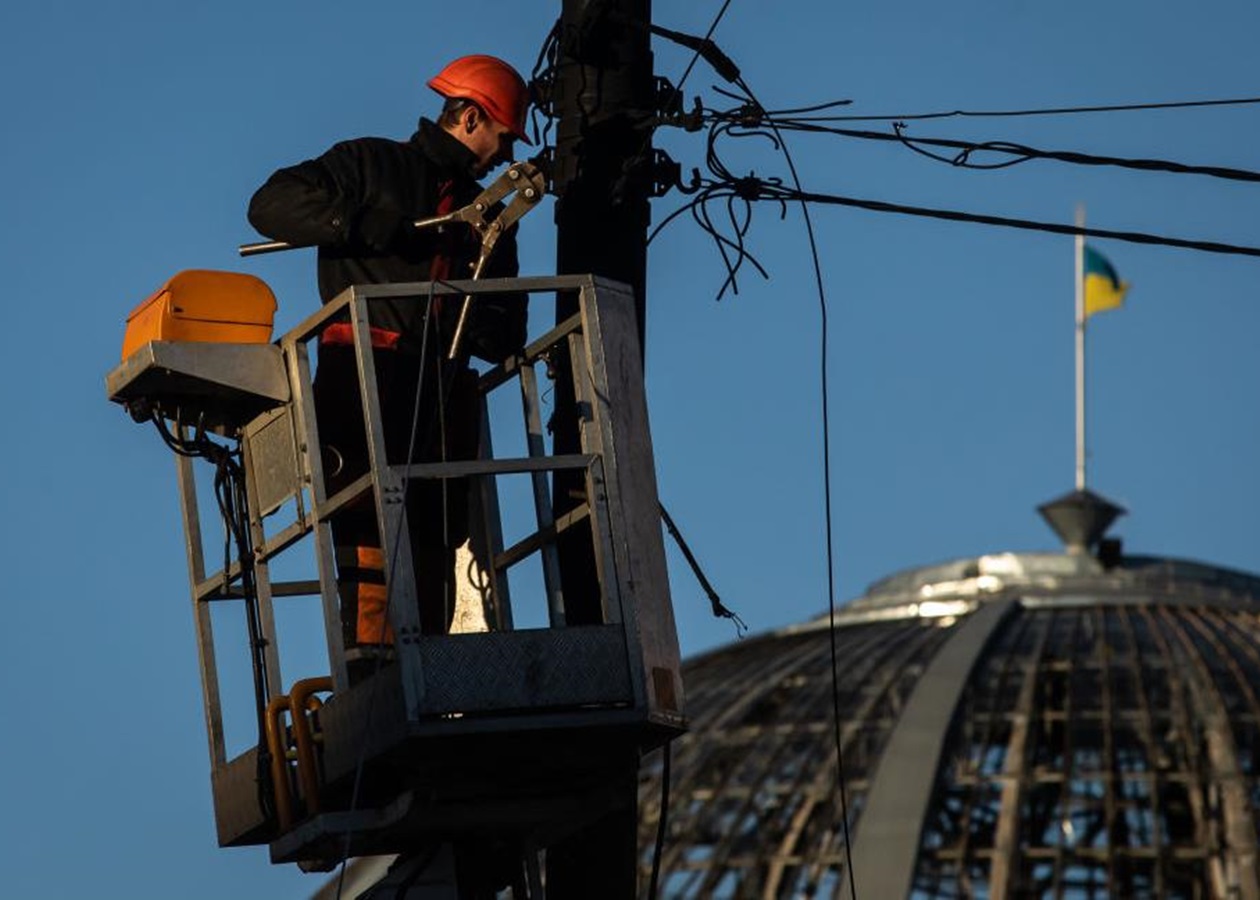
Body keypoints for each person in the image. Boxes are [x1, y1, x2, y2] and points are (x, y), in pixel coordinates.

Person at [247, 54, 532, 661]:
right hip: (363, 380)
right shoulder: (368, 165)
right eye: (504, 138)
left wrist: (484, 316)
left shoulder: (489, 221)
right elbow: (270, 204)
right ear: (471, 117)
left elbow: (505, 332)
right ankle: (370, 662)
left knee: (435, 527)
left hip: (440, 389)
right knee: (364, 515)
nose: (506, 156)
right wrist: (356, 222)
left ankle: (425, 657)